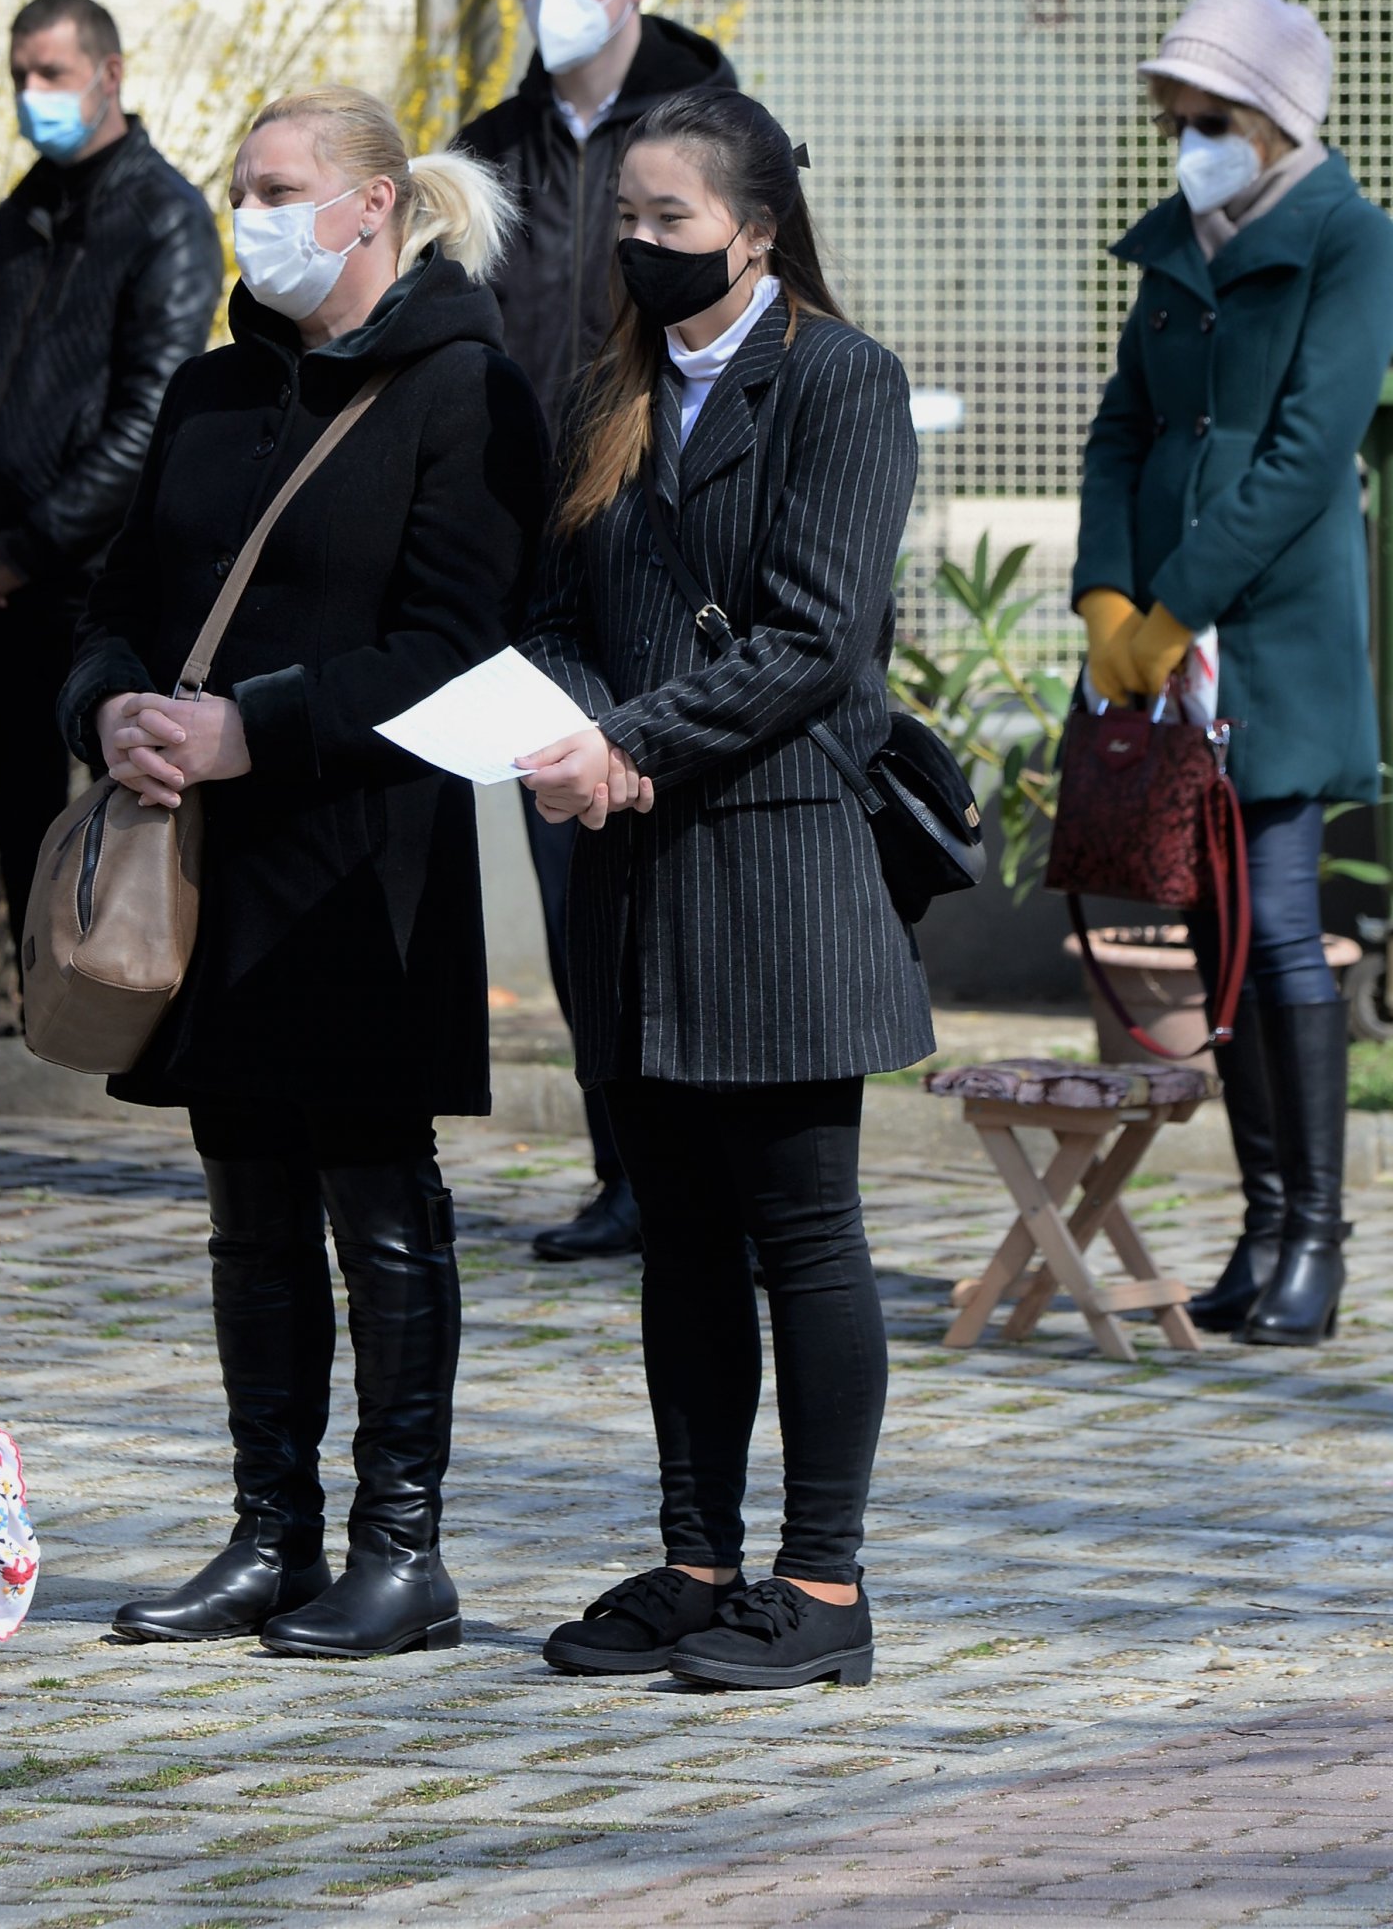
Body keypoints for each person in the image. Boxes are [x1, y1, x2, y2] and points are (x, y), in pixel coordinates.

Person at [59, 87, 548, 1661]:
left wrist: (251, 731)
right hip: (204, 868)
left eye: (278, 187)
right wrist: (115, 707)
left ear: (374, 203)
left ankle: (400, 1546)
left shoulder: (464, 388)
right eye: (239, 187)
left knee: (376, 1194)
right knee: (247, 1201)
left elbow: (456, 646)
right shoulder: (210, 391)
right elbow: (115, 599)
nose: (248, 212)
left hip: (366, 867)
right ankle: (266, 1530)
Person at [518, 87, 928, 1692]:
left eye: (670, 220)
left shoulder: (841, 381)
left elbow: (814, 634)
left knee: (801, 1232)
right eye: (626, 216)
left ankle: (823, 1585)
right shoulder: (606, 389)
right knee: (680, 1234)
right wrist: (566, 719)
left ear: (753, 231)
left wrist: (626, 747)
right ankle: (697, 1557)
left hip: (776, 856)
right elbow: (551, 602)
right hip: (631, 878)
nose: (640, 244)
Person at [1074, 0, 1393, 1347]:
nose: (1186, 139)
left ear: (1271, 118)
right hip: (1159, 635)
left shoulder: (1350, 237)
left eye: (1207, 117)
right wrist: (1105, 598)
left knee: (1272, 920)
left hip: (1272, 629)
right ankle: (1262, 1222)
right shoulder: (1177, 245)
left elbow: (1307, 455)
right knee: (1211, 931)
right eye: (1175, 117)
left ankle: (1316, 1232)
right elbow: (1119, 430)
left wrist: (1179, 605)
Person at [453, 0, 737, 1262]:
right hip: (528, 566)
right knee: (572, 884)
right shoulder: (492, 146)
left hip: (670, 550)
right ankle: (623, 1165)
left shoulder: (711, 133)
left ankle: (705, 1166)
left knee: (681, 881)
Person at [0, 0, 223, 949]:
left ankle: (112, 1003)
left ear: (110, 74)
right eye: (19, 76)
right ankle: (33, 1005)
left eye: (49, 73)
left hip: (96, 588)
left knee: (115, 822)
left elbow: (147, 420)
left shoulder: (165, 218)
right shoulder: (19, 213)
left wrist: (26, 546)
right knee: (17, 816)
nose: (31, 94)